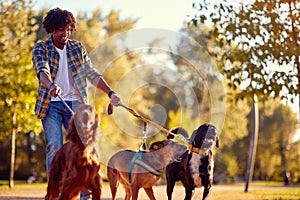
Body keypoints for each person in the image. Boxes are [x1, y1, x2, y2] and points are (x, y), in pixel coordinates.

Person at [32, 7, 121, 199]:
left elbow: (92, 74)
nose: (65, 33)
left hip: (76, 105)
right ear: (51, 30)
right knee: (54, 146)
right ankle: (54, 193)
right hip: (51, 105)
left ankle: (85, 193)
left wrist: (110, 93)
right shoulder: (42, 48)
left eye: (68, 29)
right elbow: (42, 70)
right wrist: (51, 85)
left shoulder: (77, 48)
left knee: (83, 148)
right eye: (60, 30)